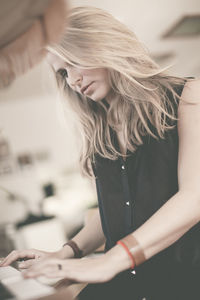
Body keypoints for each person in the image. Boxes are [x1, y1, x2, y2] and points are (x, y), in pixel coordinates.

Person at [1, 6, 200, 300]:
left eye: (73, 63)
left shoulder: (188, 96)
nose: (72, 82)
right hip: (125, 282)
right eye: (63, 73)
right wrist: (67, 252)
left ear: (100, 45)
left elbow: (193, 197)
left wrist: (111, 260)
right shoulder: (101, 129)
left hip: (180, 280)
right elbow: (117, 210)